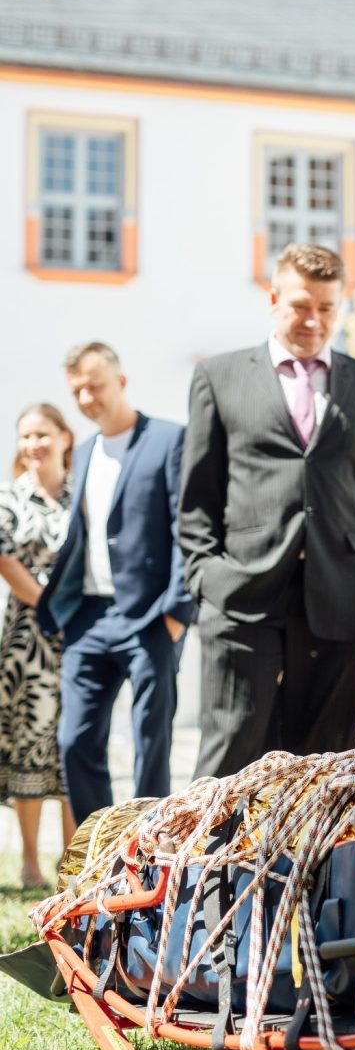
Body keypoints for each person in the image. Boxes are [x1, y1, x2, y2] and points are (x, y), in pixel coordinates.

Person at [179, 243, 355, 779]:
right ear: (273, 300)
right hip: (241, 599)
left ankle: (310, 844)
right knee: (227, 766)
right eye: (300, 306)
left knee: (323, 770)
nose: (314, 320)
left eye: (327, 308)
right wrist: (206, 580)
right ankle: (217, 843)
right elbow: (196, 501)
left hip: (341, 601)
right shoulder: (219, 377)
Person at [38, 344, 192, 825]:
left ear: (121, 382)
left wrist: (176, 613)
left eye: (95, 385)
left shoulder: (169, 439)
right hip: (88, 617)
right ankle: (102, 849)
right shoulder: (83, 451)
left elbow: (187, 529)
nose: (86, 398)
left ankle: (147, 847)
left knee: (151, 740)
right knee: (75, 740)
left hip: (150, 616)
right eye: (77, 391)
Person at [0, 404, 75, 887]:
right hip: (29, 643)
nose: (32, 445)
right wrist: (54, 610)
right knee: (30, 746)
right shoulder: (9, 498)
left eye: (41, 434)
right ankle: (30, 861)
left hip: (81, 640)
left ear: (65, 437)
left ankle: (73, 862)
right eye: (25, 436)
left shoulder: (83, 495)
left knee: (74, 747)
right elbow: (5, 560)